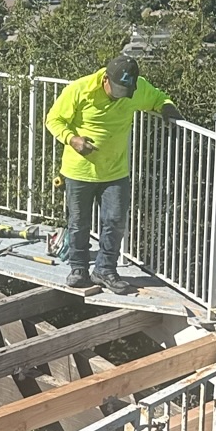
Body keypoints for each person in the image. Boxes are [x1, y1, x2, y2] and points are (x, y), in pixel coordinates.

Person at [44, 54, 177, 294]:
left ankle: (105, 270)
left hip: (115, 171)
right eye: (117, 89)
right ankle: (78, 269)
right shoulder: (80, 89)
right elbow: (53, 119)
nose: (120, 95)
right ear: (105, 79)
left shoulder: (137, 88)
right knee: (78, 223)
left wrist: (168, 107)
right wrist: (72, 139)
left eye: (126, 91)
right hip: (79, 171)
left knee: (114, 222)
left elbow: (159, 97)